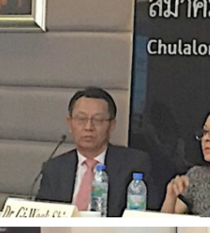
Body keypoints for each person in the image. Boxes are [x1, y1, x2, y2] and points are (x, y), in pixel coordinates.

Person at [36, 88, 157, 216]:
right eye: (81, 119)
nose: (88, 127)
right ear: (70, 124)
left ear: (112, 125)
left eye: (98, 120)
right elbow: (41, 217)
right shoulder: (54, 168)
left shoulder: (134, 164)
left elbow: (150, 215)